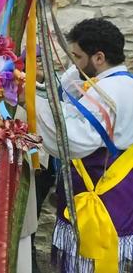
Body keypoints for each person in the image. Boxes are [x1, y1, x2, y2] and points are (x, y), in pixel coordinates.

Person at [36, 18, 133, 272]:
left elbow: (74, 140)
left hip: (100, 198)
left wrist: (33, 104)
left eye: (77, 57)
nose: (74, 64)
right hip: (121, 196)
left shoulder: (107, 90)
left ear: (99, 58)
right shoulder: (124, 83)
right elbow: (72, 88)